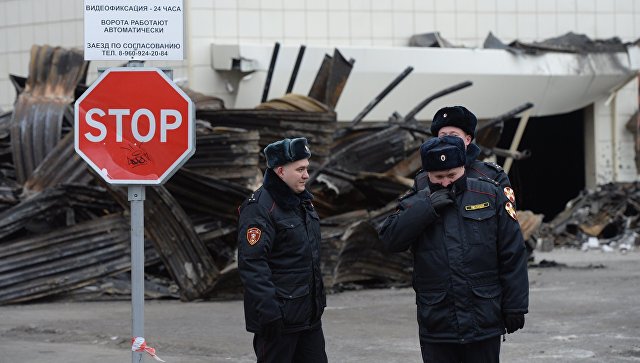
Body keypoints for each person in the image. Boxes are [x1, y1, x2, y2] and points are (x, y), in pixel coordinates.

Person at [378, 136, 529, 363]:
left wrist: (515, 305)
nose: (446, 182)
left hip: (483, 315)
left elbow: (513, 252)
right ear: (427, 174)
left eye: (452, 175)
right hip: (438, 321)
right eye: (438, 177)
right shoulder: (416, 200)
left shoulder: (490, 194)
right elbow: (389, 240)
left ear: (463, 168)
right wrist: (425, 208)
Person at [237, 137, 327, 363]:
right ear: (280, 171)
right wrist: (270, 313)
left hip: (308, 317)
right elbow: (252, 264)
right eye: (300, 169)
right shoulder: (260, 208)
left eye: (307, 168)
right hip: (278, 322)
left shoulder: (303, 202)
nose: (306, 175)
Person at [413, 106, 516, 208]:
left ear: (467, 140)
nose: (448, 140)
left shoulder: (492, 175)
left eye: (454, 136)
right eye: (443, 136)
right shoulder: (422, 178)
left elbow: (507, 219)